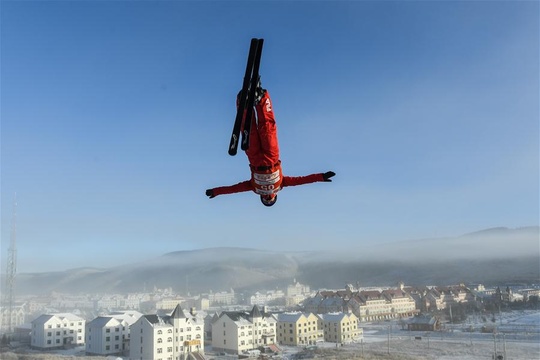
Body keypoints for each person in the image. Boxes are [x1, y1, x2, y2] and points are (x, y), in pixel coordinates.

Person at [205, 82, 335, 206]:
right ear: (275, 197)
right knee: (267, 129)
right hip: (271, 157)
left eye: (266, 201)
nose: (268, 199)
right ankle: (261, 98)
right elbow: (301, 180)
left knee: (249, 132)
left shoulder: (255, 188)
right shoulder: (281, 184)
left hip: (255, 160)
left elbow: (234, 189)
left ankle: (243, 105)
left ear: (261, 198)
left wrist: (216, 191)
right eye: (270, 201)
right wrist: (321, 177)